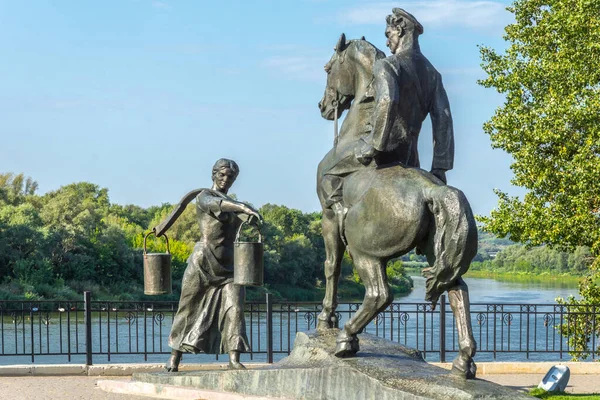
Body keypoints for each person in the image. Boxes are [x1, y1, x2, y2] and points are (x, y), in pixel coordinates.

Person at [326, 8, 455, 232]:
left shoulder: (387, 65)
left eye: (389, 35)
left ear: (401, 30)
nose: (387, 43)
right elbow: (443, 121)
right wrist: (440, 167)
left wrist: (373, 146)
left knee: (329, 175)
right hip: (411, 158)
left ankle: (343, 224)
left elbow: (388, 101)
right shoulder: (433, 74)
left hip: (383, 150)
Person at [160, 158, 263, 372]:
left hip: (229, 268)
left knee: (235, 308)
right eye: (222, 175)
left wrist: (250, 216)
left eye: (231, 177)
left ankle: (234, 358)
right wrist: (242, 206)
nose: (226, 180)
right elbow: (217, 205)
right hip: (203, 263)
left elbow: (243, 215)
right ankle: (174, 357)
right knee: (188, 308)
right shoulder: (204, 196)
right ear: (213, 174)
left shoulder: (234, 204)